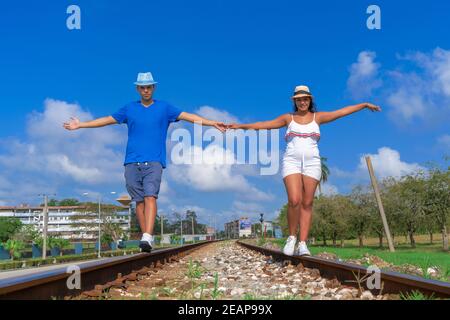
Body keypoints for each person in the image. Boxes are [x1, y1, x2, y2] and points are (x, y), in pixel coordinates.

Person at [63, 72, 227, 252]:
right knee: (138, 201)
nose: (146, 90)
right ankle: (145, 237)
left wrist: (212, 123)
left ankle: (148, 236)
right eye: (143, 87)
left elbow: (189, 116)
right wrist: (81, 125)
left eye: (149, 87)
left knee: (150, 196)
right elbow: (107, 120)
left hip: (154, 161)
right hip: (131, 162)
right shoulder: (129, 109)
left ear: (154, 88)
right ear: (138, 89)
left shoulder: (165, 108)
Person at [229, 85, 381, 256]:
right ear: (295, 101)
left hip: (312, 163)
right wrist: (240, 126)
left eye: (305, 99)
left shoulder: (318, 117)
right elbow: (264, 125)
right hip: (291, 161)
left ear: (310, 100)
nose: (302, 102)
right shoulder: (288, 118)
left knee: (307, 203)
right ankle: (292, 237)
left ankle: (302, 243)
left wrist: (364, 105)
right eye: (299, 99)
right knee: (294, 200)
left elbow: (342, 112)